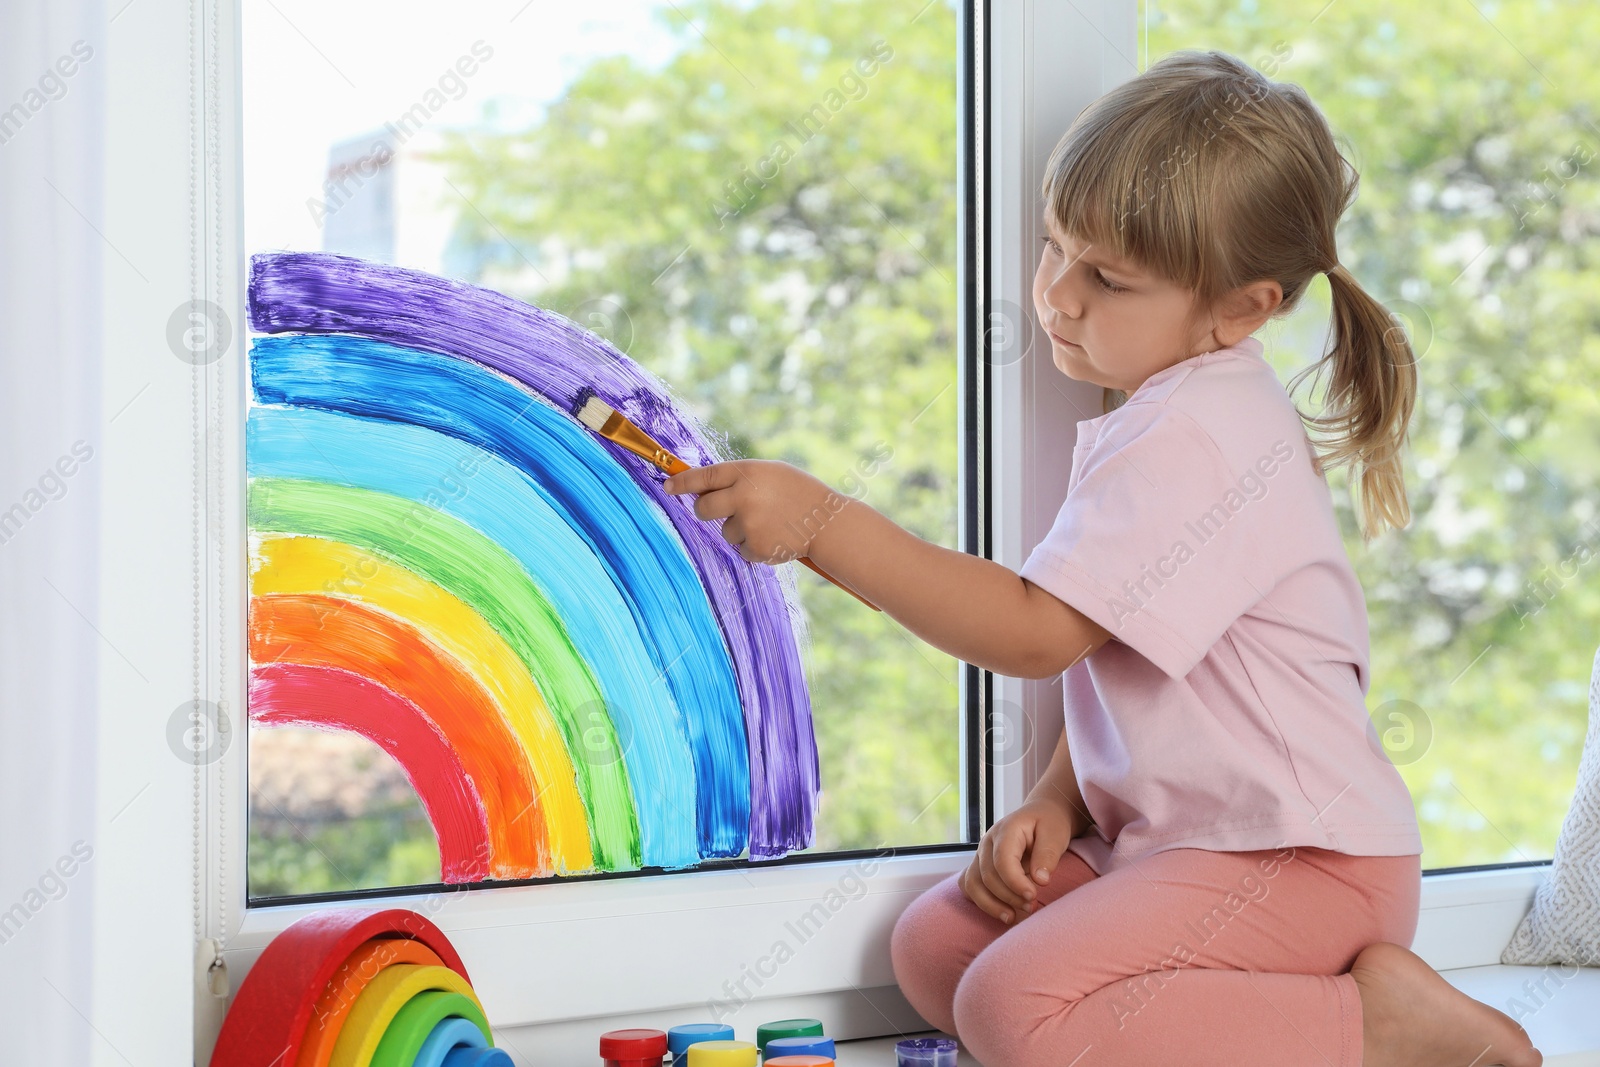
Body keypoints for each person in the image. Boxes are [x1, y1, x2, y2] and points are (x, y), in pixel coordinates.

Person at [662, 49, 1541, 1067]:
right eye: (1052, 249)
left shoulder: (1199, 432)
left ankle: (1375, 1025)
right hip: (1194, 844)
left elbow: (1038, 632)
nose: (1057, 298)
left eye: (1107, 278)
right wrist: (1054, 798)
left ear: (1242, 307)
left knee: (1009, 1009)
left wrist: (823, 525)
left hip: (1300, 860)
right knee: (940, 946)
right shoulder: (1167, 408)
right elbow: (1131, 660)